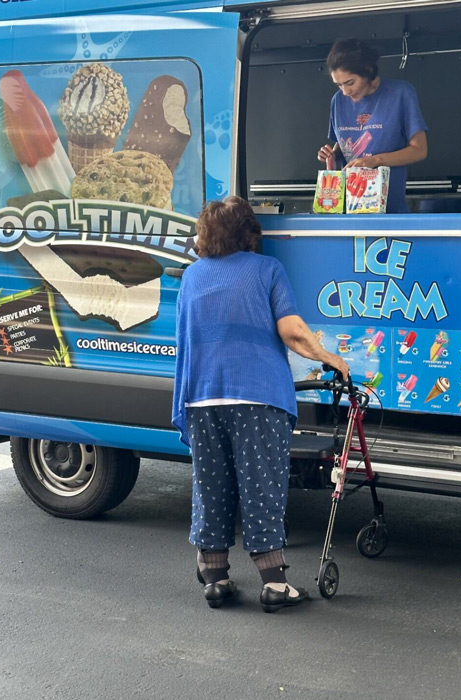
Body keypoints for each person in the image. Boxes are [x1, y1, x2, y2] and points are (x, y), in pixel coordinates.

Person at [172, 196, 349, 613]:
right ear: (248, 234)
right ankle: (274, 584)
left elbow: (184, 342)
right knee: (261, 485)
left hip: (201, 395)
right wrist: (331, 359)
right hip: (255, 395)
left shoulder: (192, 277)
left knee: (210, 484)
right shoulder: (267, 270)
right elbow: (291, 331)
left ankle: (214, 578)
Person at [317, 38, 428, 214]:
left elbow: (419, 150)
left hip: (390, 211)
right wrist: (332, 154)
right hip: (346, 209)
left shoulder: (401, 93)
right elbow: (345, 143)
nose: (345, 92)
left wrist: (374, 161)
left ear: (367, 71)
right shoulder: (337, 101)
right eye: (339, 85)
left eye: (350, 83)